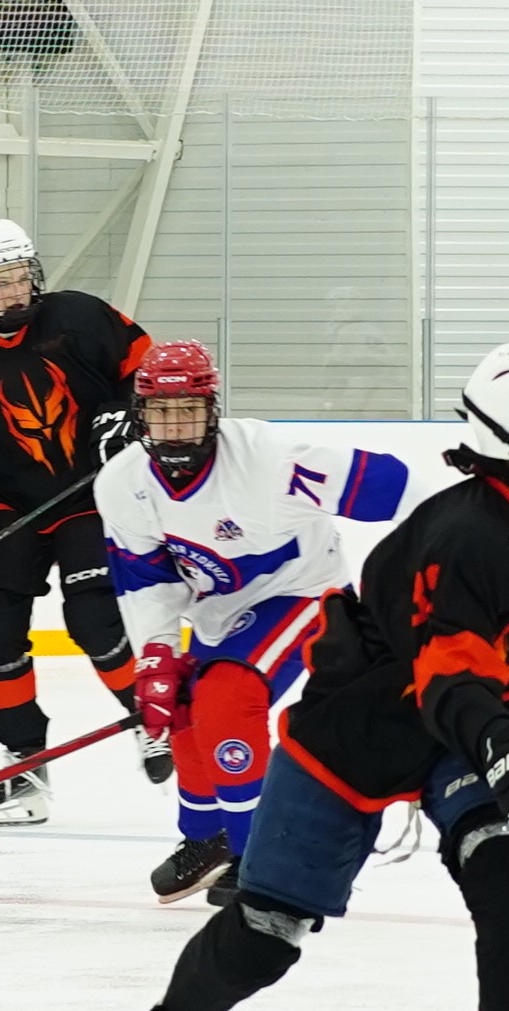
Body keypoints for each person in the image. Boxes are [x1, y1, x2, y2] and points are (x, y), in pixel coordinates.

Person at [101, 339, 509, 1011]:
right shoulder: (464, 534)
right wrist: (505, 743)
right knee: (265, 931)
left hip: (451, 735)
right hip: (353, 734)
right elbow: (448, 673)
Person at [96, 340, 428, 907]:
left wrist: (449, 557)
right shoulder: (123, 483)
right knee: (182, 705)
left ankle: (263, 858)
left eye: (188, 411)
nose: (174, 427)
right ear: (140, 414)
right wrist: (156, 653)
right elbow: (147, 582)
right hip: (219, 610)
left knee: (227, 698)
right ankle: (208, 838)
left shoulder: (271, 461)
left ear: (211, 410)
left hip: (302, 590)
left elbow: (395, 486)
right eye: (160, 412)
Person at [0, 218, 166, 826]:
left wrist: (129, 413)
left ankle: (156, 724)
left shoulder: (81, 316)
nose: (12, 291)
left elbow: (151, 371)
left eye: (20, 277)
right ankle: (24, 771)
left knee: (94, 618)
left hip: (91, 495)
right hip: (10, 507)